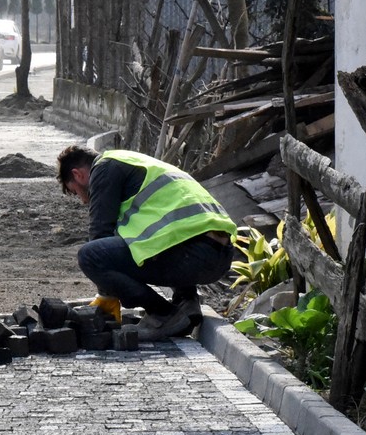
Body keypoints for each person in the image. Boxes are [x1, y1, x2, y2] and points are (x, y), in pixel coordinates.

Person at [56, 144, 236, 340]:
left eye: (75, 192)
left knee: (90, 255)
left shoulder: (104, 168)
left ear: (78, 174)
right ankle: (186, 301)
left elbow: (100, 232)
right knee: (152, 239)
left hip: (192, 256)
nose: (83, 200)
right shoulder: (133, 161)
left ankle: (163, 313)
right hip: (220, 255)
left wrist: (106, 294)